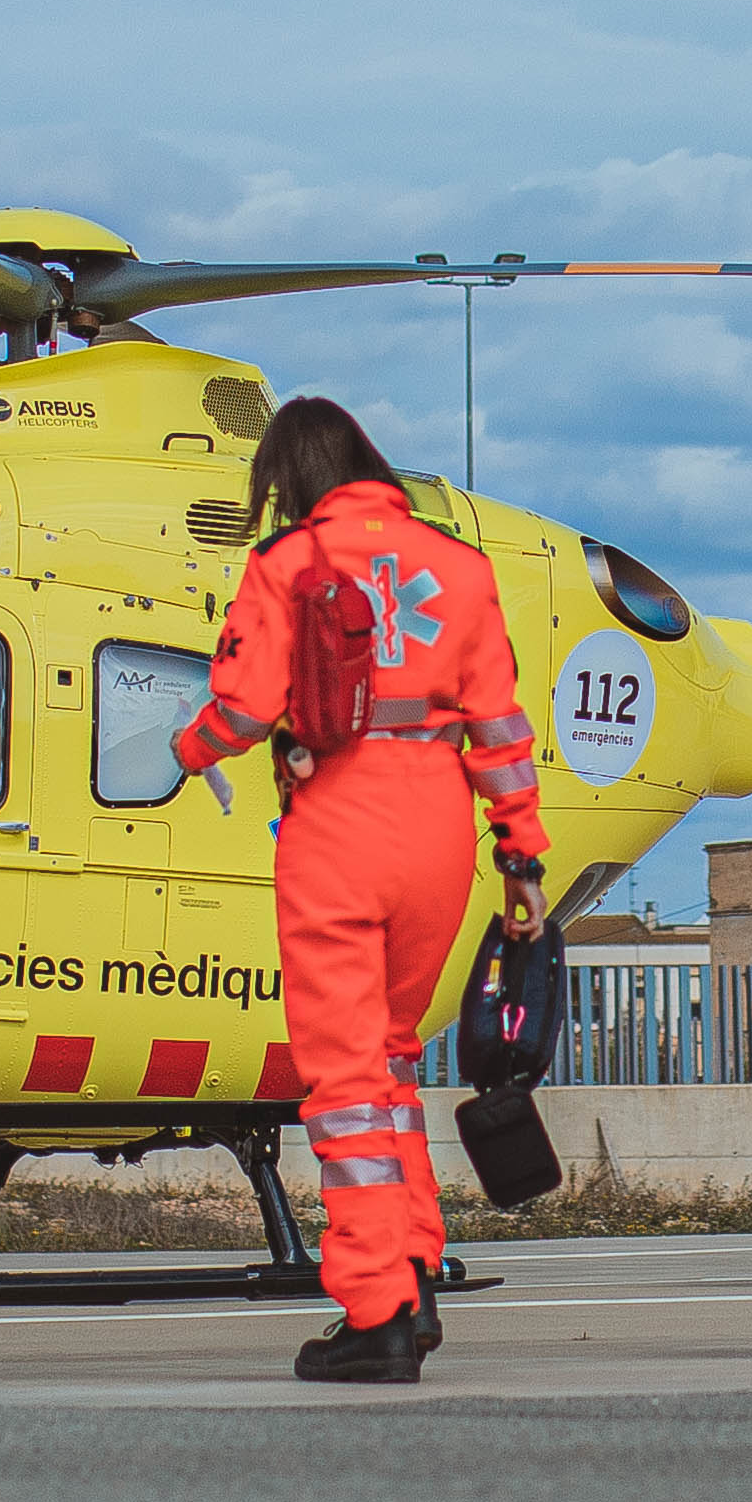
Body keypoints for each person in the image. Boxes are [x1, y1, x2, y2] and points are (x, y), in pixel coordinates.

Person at [174, 395, 548, 1385]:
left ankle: (377, 1310)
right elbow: (501, 724)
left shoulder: (286, 561)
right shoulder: (461, 565)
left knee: (343, 1083)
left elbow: (244, 706)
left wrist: (187, 747)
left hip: (339, 826)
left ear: (288, 478)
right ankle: (413, 1269)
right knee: (390, 1060)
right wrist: (522, 854)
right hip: (439, 829)